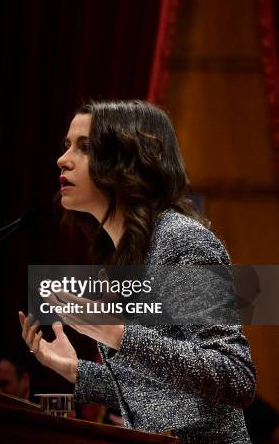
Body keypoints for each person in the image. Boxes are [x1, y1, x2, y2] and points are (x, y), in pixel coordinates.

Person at [18, 100, 256, 443]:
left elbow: (236, 377)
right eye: (67, 145)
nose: (62, 159)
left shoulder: (183, 240)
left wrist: (120, 334)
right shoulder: (121, 258)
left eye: (84, 147)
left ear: (127, 162)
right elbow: (161, 396)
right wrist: (75, 371)